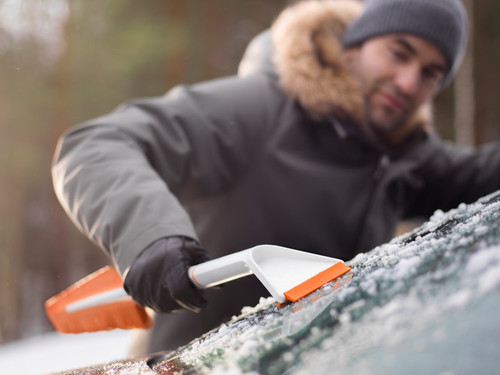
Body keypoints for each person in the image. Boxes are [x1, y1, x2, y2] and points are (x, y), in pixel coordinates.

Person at [52, 0, 500, 354]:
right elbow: (98, 144)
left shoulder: (406, 157)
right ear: (355, 43)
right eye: (399, 53)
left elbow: (482, 175)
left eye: (430, 73)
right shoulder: (261, 109)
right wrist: (149, 237)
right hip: (192, 364)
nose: (407, 82)